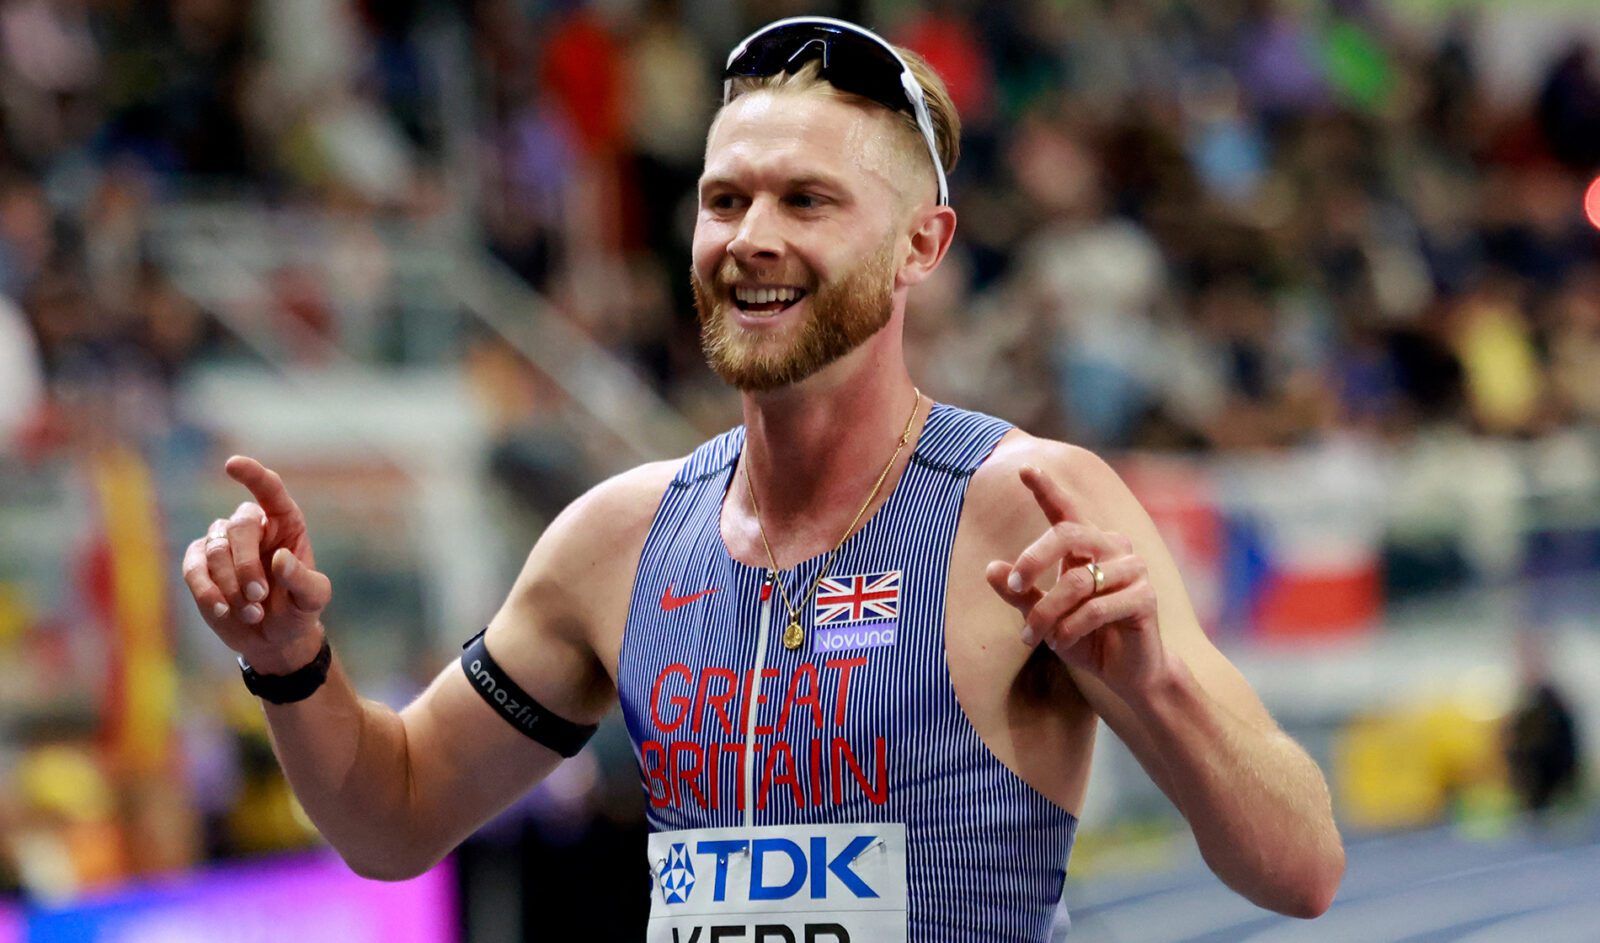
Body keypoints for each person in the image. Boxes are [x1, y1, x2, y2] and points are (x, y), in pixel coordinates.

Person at [180, 16, 1343, 940]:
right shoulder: (616, 540)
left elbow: (1300, 870)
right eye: (724, 199)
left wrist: (1155, 688)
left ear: (921, 246)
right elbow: (390, 815)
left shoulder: (1025, 503)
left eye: (807, 200)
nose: (750, 238)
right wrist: (288, 662)